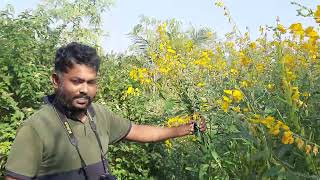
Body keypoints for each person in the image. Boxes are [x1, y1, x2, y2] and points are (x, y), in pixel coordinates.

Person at [4, 42, 206, 180]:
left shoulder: (99, 114)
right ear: (56, 81)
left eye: (91, 82)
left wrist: (183, 129)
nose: (85, 89)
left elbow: (138, 131)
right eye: (77, 81)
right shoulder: (37, 128)